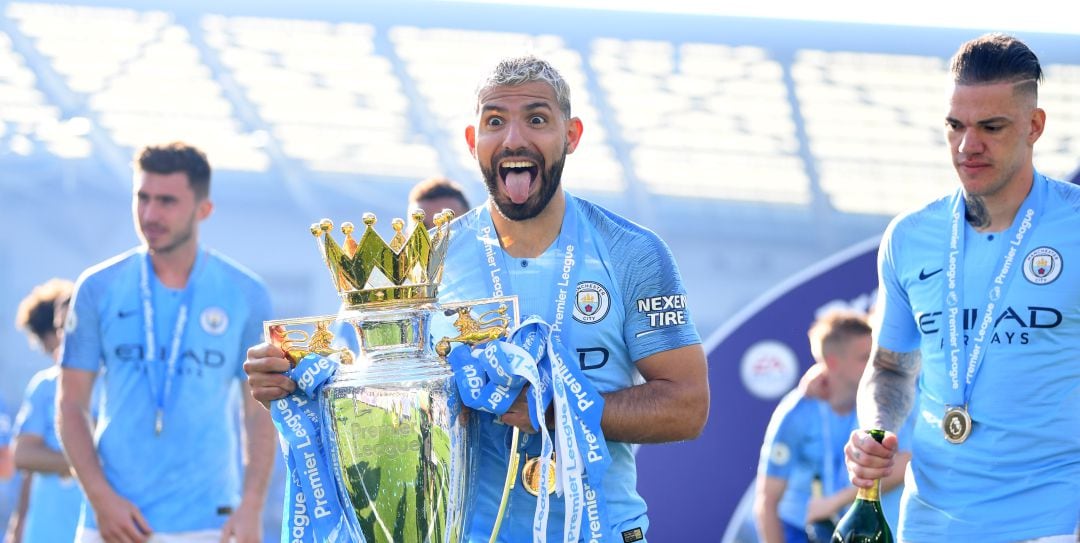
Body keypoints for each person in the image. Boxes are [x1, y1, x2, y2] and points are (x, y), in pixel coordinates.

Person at [245, 54, 710, 542]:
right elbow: (367, 385)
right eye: (495, 122)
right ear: (473, 142)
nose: (513, 139)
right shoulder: (427, 262)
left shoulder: (632, 252)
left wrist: (555, 411)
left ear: (570, 136)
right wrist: (287, 375)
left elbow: (686, 405)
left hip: (602, 531)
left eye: (536, 119)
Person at [844, 34, 1080, 542]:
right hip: (929, 524)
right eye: (955, 126)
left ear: (1034, 126)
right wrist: (876, 430)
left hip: (1053, 524)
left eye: (991, 127)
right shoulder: (910, 236)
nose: (968, 146)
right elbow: (889, 367)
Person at [58, 142, 276, 543]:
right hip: (114, 522)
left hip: (210, 522)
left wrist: (252, 505)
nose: (150, 214)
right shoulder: (97, 286)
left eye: (167, 201)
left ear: (203, 210)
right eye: (142, 198)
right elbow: (71, 404)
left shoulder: (245, 293)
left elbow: (258, 412)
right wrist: (101, 498)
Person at [754, 311, 909, 543]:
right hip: (800, 530)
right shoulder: (796, 413)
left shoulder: (877, 402)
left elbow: (905, 462)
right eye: (864, 357)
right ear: (834, 362)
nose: (875, 364)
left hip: (852, 528)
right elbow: (767, 499)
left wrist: (835, 502)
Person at [9, 278, 84, 543]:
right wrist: (18, 527)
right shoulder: (45, 386)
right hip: (46, 532)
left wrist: (59, 462)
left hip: (96, 529)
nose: (55, 353)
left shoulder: (115, 382)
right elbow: (24, 457)